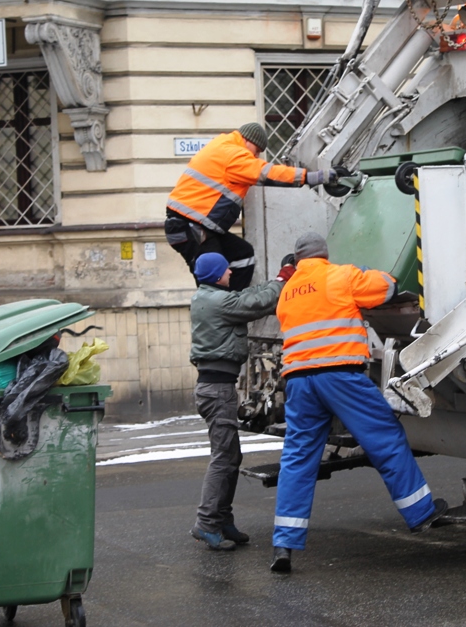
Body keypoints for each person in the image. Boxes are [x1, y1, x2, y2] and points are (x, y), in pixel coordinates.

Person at [269, 232, 448, 572]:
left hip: (298, 382)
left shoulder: (288, 291)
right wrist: (363, 269)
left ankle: (284, 545)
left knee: (297, 459)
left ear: (297, 259)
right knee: (385, 438)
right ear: (324, 254)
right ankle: (421, 512)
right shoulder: (341, 275)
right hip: (340, 376)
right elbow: (388, 286)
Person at [189, 252, 297, 551]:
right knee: (223, 458)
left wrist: (277, 280)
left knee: (231, 457)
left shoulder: (210, 296)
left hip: (215, 386)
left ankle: (222, 520)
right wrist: (283, 280)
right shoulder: (216, 301)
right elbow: (255, 304)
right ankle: (206, 524)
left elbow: (246, 295)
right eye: (225, 270)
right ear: (215, 274)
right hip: (217, 389)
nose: (230, 274)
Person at [165, 123, 336, 291]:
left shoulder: (223, 146)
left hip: (195, 226)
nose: (256, 157)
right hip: (191, 226)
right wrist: (311, 177)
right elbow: (266, 173)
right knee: (213, 277)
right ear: (249, 141)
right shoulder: (235, 154)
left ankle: (235, 305)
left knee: (242, 254)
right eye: (257, 152)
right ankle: (223, 311)